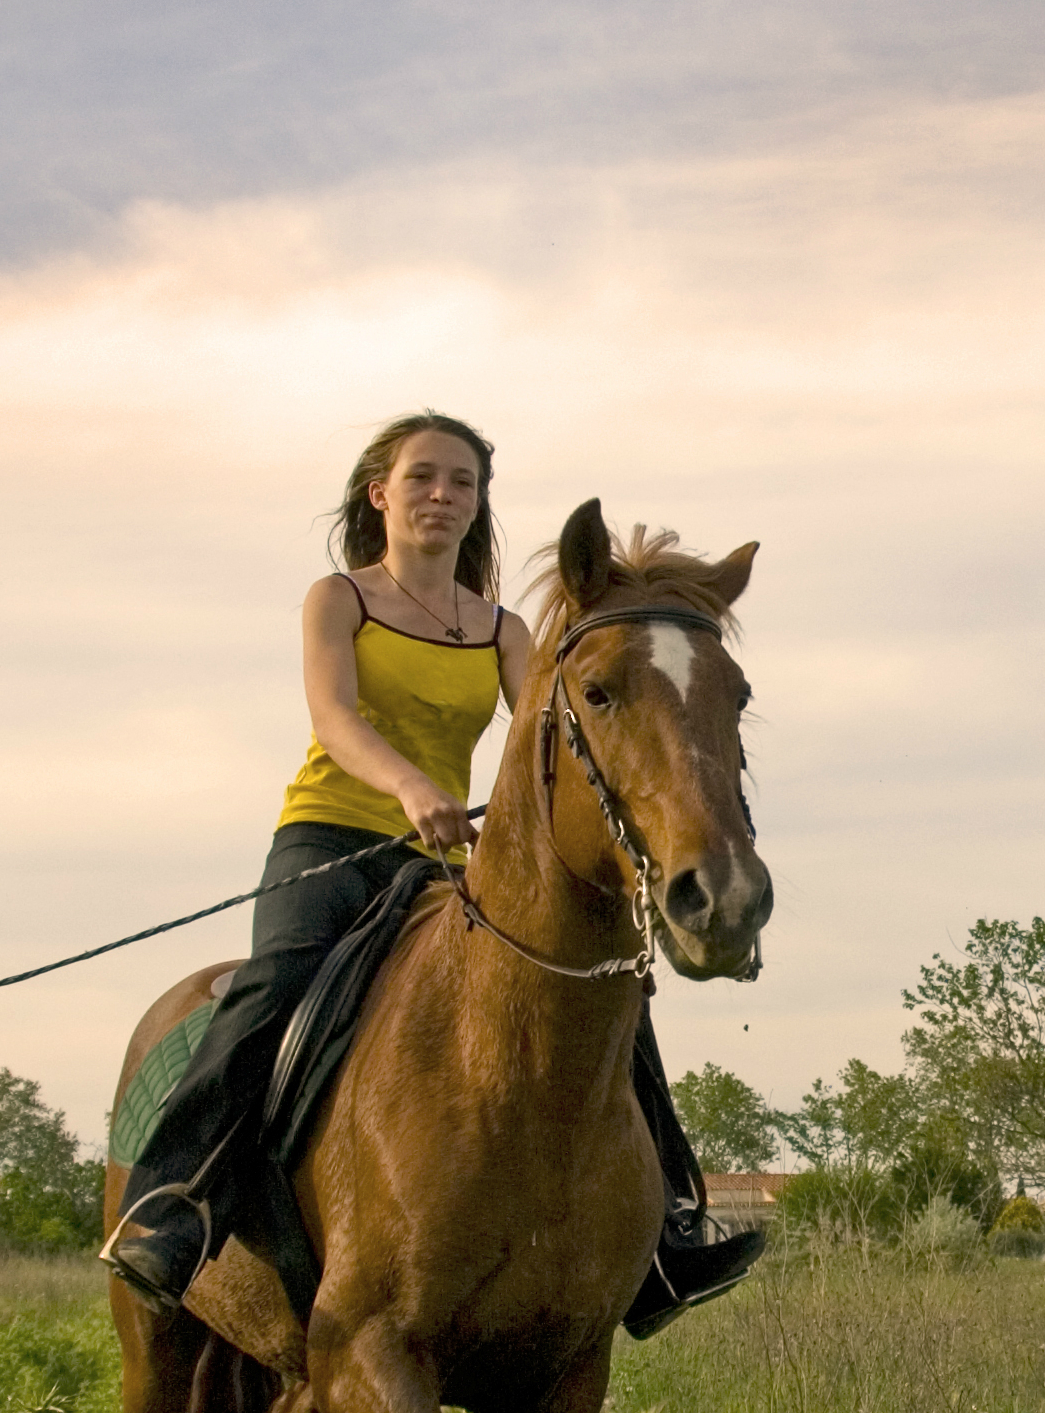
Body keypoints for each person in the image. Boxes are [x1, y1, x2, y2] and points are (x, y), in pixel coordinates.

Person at [99, 412, 762, 1337]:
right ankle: (173, 1208)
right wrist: (411, 783)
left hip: (441, 860)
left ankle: (668, 1233)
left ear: (478, 503)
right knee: (271, 989)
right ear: (382, 494)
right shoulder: (340, 599)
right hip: (330, 839)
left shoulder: (499, 627)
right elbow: (334, 720)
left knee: (612, 996)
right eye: (423, 478)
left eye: (462, 482)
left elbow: (555, 723)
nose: (442, 496)